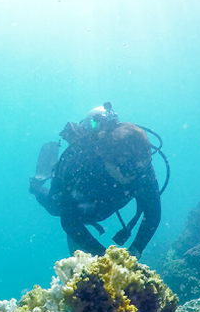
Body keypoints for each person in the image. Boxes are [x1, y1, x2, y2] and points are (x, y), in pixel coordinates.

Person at [29, 103, 161, 259]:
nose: (133, 176)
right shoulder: (83, 165)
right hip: (77, 202)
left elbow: (153, 212)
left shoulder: (140, 166)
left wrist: (135, 251)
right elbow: (69, 221)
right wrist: (105, 257)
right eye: (126, 170)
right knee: (54, 207)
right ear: (106, 159)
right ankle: (36, 185)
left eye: (140, 168)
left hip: (105, 204)